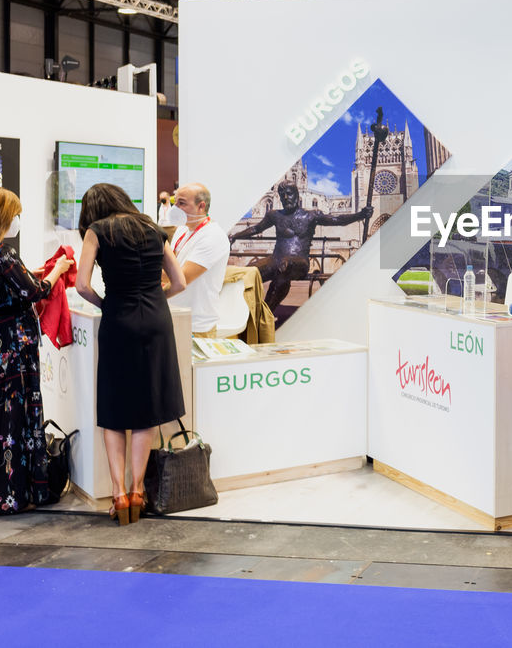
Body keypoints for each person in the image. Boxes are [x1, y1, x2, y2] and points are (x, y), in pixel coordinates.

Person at [74, 183, 188, 526]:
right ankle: (139, 491)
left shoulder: (97, 231)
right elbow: (179, 282)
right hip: (156, 321)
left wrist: (106, 304)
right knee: (147, 409)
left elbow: (81, 285)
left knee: (114, 409)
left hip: (118, 321)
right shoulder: (154, 228)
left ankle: (119, 494)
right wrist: (154, 301)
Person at [0, 187, 73, 516]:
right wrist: (58, 269)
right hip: (13, 340)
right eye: (15, 214)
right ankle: (19, 489)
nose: (18, 220)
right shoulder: (2, 253)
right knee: (16, 410)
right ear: (1, 216)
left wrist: (31, 274)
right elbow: (35, 291)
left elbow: (4, 286)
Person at [229, 182, 372, 311]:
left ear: (297, 194)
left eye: (289, 194)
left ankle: (265, 312)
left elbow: (337, 220)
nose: (286, 197)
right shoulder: (274, 215)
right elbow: (256, 229)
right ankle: (239, 310)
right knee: (247, 272)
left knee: (285, 266)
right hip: (275, 259)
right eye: (282, 195)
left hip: (299, 263)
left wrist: (360, 215)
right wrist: (235, 236)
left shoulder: (311, 216)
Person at [166, 183, 230, 338]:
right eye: (175, 203)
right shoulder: (182, 229)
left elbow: (181, 278)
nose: (175, 209)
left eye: (182, 203)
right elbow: (169, 268)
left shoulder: (213, 236)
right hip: (172, 317)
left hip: (196, 325)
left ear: (201, 206)